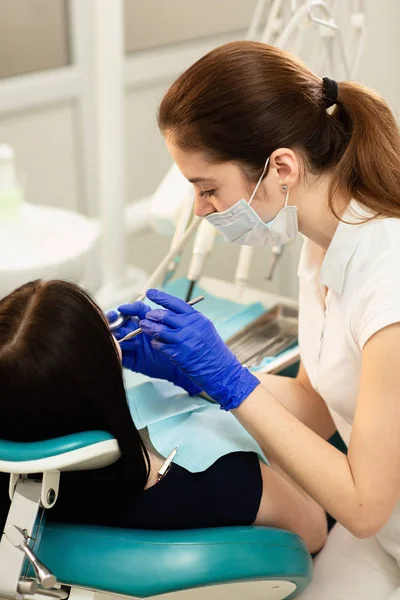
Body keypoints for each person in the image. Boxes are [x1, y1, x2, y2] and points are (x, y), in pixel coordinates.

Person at [111, 41, 400, 598]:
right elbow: (319, 409)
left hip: (376, 516)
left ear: (281, 168)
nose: (199, 209)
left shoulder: (387, 282)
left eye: (208, 188)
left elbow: (364, 505)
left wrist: (232, 381)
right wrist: (192, 373)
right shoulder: (325, 241)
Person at [0, 279, 326, 552]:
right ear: (103, 370)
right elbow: (315, 528)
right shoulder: (222, 476)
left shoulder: (20, 485)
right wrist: (216, 379)